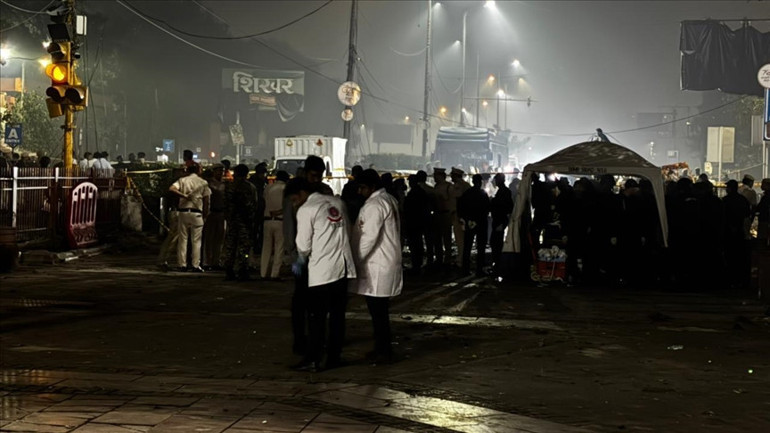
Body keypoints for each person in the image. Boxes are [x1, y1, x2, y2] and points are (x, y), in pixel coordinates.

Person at [287, 177, 356, 372]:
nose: (294, 204)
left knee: (316, 318)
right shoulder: (337, 202)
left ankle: (313, 359)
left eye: (293, 200)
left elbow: (303, 245)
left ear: (301, 194)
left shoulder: (306, 209)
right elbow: (348, 232)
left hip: (321, 271)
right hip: (342, 268)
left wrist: (300, 259)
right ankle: (334, 357)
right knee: (337, 317)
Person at [349, 169, 402, 364]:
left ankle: (383, 351)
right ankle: (382, 348)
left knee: (378, 313)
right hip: (385, 261)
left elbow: (368, 238)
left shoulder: (374, 205)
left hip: (377, 264)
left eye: (362, 188)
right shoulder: (389, 199)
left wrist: (355, 261)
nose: (360, 192)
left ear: (372, 187)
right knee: (380, 313)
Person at [169, 163, 210, 272]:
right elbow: (206, 200)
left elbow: (172, 188)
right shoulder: (203, 182)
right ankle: (195, 265)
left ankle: (182, 264)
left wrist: (184, 196)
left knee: (183, 239)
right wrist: (205, 214)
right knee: (196, 240)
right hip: (197, 212)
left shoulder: (182, 180)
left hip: (183, 212)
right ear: (198, 170)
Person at [222, 164, 258, 281]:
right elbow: (253, 204)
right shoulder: (250, 187)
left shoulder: (229, 187)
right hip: (245, 221)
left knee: (230, 246)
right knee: (244, 247)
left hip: (232, 220)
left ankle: (229, 269)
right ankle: (243, 269)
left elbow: (226, 204)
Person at [459, 174, 490, 276]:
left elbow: (461, 207)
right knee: (480, 247)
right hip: (481, 222)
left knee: (467, 247)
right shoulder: (483, 194)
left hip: (470, 222)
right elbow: (487, 208)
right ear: (480, 182)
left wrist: (466, 219)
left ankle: (465, 269)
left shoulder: (467, 193)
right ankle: (479, 270)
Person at [723, 179, 751, 289]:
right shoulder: (743, 200)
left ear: (730, 188)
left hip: (728, 232)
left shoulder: (725, 200)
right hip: (740, 232)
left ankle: (730, 280)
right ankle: (739, 280)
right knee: (739, 257)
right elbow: (747, 217)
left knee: (729, 257)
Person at [261, 170, 288, 280]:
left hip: (267, 220)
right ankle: (274, 274)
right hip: (280, 221)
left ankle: (263, 273)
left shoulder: (268, 187)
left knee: (266, 248)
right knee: (279, 248)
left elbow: (264, 200)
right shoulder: (286, 189)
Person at [404, 175, 430, 274]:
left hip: (413, 222)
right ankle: (417, 264)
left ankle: (416, 265)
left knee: (415, 244)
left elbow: (408, 209)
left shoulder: (414, 193)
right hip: (418, 222)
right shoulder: (421, 192)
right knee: (417, 243)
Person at [202, 164, 226, 271]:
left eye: (222, 171)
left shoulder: (225, 184)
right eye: (218, 171)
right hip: (211, 213)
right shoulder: (208, 183)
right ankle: (207, 261)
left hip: (221, 213)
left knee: (219, 239)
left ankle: (216, 260)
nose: (220, 173)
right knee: (209, 238)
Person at [489, 173, 513, 271]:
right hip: (499, 220)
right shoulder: (503, 191)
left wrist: (493, 202)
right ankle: (497, 263)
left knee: (496, 243)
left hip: (500, 220)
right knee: (495, 242)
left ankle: (498, 264)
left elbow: (505, 207)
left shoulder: (504, 192)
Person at [449, 167, 471, 268]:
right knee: (460, 240)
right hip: (458, 215)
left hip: (459, 216)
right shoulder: (461, 185)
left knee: (461, 240)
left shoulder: (461, 186)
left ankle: (461, 260)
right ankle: (461, 259)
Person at [432, 168, 453, 266]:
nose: (434, 177)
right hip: (437, 214)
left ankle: (447, 258)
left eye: (436, 175)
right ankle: (439, 257)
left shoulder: (448, 187)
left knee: (446, 238)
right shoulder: (436, 186)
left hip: (446, 214)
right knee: (437, 238)